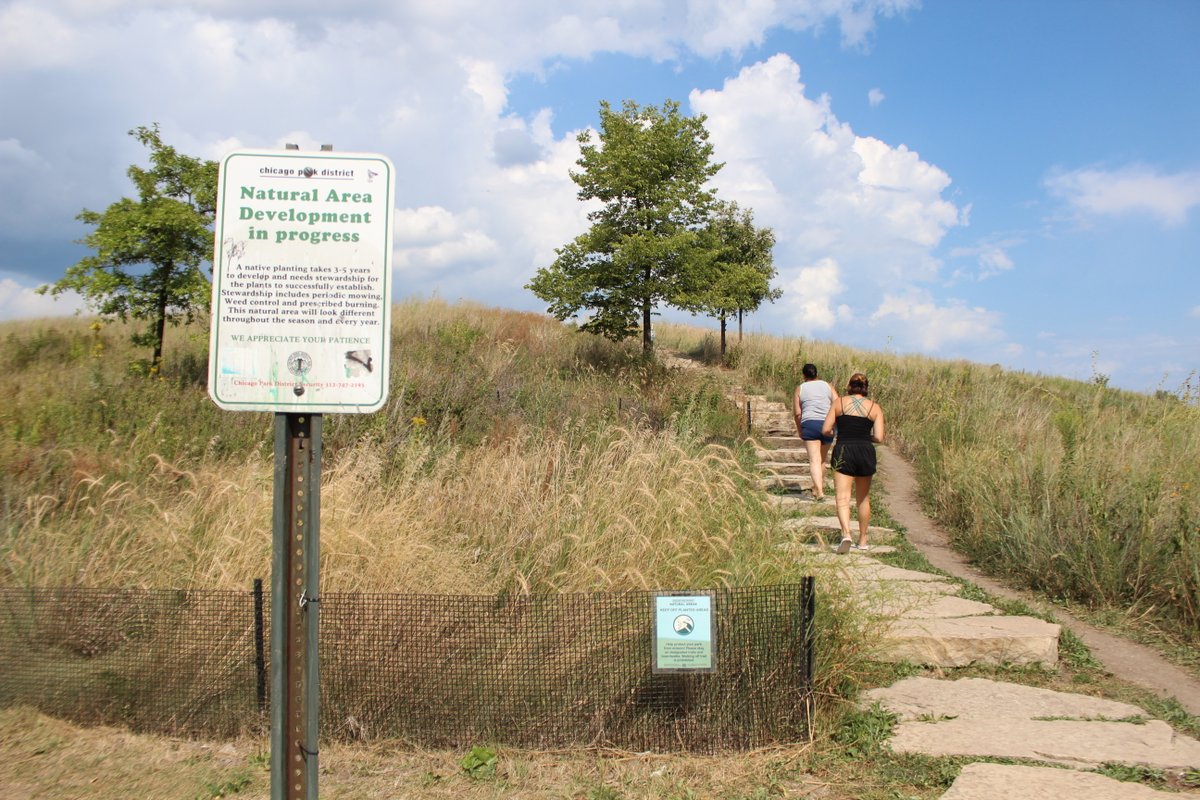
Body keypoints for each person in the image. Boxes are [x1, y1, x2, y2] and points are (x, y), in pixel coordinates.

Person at [822, 372, 885, 554]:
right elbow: (879, 437)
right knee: (863, 498)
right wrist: (866, 437)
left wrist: (836, 433)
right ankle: (863, 539)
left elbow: (826, 429)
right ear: (866, 388)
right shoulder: (875, 407)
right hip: (865, 450)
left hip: (844, 448)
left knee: (842, 497)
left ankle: (846, 534)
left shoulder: (839, 403)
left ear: (849, 386)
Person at [792, 363, 838, 502]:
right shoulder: (827, 386)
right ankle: (818, 487)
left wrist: (800, 430)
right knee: (822, 460)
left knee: (814, 460)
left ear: (804, 375)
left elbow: (798, 413)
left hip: (810, 424)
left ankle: (819, 491)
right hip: (827, 425)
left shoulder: (800, 388)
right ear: (816, 373)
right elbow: (837, 403)